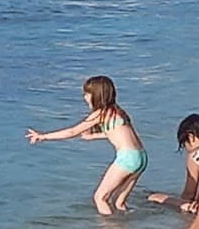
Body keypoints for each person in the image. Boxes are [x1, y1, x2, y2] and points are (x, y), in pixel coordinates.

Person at [25, 75, 147, 215]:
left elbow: (72, 131)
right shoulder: (117, 112)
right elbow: (118, 133)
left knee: (100, 198)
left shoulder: (100, 114)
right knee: (118, 203)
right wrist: (93, 136)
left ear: (97, 95)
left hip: (127, 158)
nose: (85, 97)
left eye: (87, 94)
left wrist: (44, 136)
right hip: (141, 156)